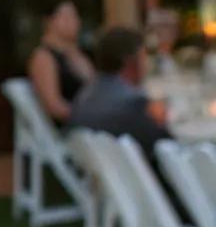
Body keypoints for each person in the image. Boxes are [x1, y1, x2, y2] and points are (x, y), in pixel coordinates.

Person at [68, 25, 172, 161]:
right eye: (143, 57)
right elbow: (165, 145)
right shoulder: (132, 105)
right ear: (132, 63)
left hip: (97, 167)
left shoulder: (84, 95)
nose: (147, 64)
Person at [28, 0, 94, 124]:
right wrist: (88, 116)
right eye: (66, 17)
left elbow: (94, 84)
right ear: (49, 22)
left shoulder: (75, 54)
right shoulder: (43, 57)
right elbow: (53, 105)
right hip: (73, 127)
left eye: (75, 16)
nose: (74, 22)